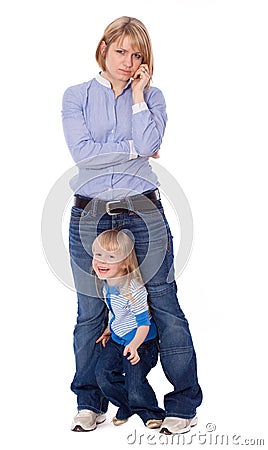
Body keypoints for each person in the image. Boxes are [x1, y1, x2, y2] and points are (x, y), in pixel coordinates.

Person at [62, 16, 202, 434]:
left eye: (137, 54)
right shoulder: (76, 96)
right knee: (90, 312)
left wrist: (138, 97)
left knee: (164, 304)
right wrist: (130, 150)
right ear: (104, 47)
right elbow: (83, 155)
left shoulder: (153, 97)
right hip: (90, 214)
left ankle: (182, 403)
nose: (128, 61)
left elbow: (149, 145)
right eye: (121, 50)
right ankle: (90, 401)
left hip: (144, 211)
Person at [92, 229, 165, 429]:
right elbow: (117, 312)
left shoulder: (133, 288)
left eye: (110, 257)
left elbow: (143, 323)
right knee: (103, 375)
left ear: (125, 262)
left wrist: (134, 345)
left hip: (141, 341)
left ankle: (151, 412)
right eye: (98, 255)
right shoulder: (107, 283)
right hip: (118, 338)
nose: (102, 261)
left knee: (135, 383)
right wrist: (109, 328)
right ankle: (127, 404)